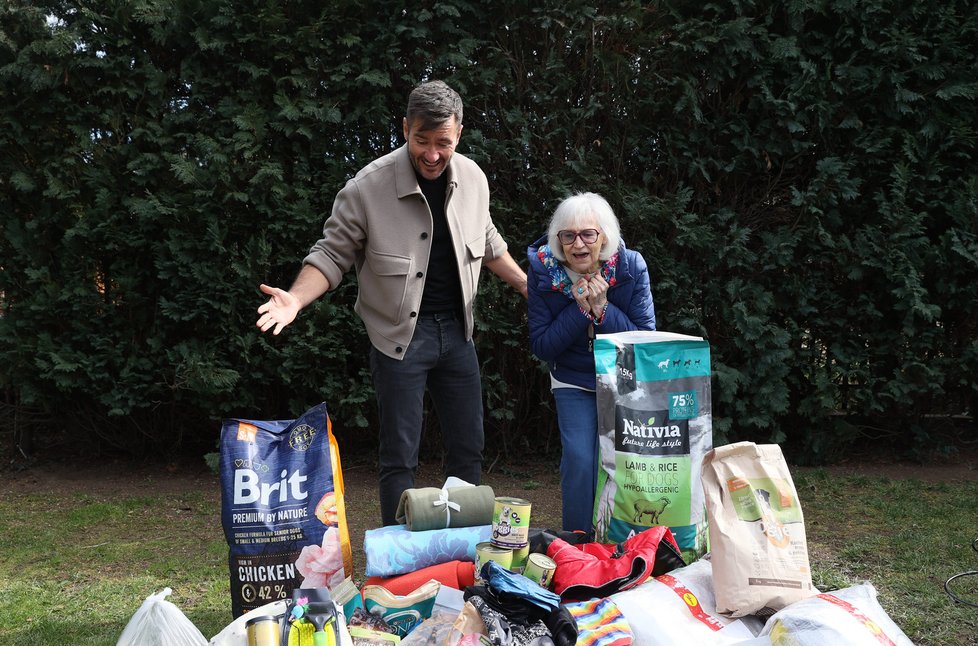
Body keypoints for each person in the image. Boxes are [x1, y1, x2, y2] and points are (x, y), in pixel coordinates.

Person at [256, 80, 527, 525]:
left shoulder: (475, 179)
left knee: (468, 449)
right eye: (422, 140)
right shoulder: (367, 187)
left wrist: (525, 285)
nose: (433, 153)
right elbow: (330, 253)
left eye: (444, 142)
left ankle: (461, 549)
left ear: (459, 134)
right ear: (405, 128)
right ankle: (397, 562)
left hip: (458, 335)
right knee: (400, 455)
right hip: (400, 340)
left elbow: (488, 240)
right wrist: (295, 301)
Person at [526, 192, 655, 532]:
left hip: (621, 377)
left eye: (588, 234)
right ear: (558, 241)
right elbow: (542, 345)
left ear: (604, 236)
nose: (578, 244)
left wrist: (603, 310)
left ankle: (626, 540)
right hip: (571, 378)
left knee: (625, 461)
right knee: (581, 460)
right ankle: (578, 542)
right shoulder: (542, 271)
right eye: (567, 236)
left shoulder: (631, 267)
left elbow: (643, 339)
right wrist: (581, 308)